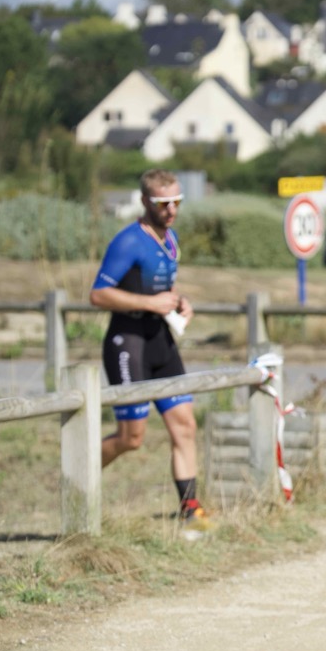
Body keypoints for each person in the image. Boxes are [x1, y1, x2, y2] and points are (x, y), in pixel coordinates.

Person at [90, 169, 208, 531]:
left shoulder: (171, 238)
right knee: (132, 438)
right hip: (128, 344)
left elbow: (160, 290)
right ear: (145, 201)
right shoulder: (128, 241)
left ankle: (191, 512)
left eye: (177, 202)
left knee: (185, 425)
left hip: (160, 341)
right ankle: (77, 471)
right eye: (162, 203)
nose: (171, 210)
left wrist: (179, 301)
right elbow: (98, 294)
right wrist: (149, 303)